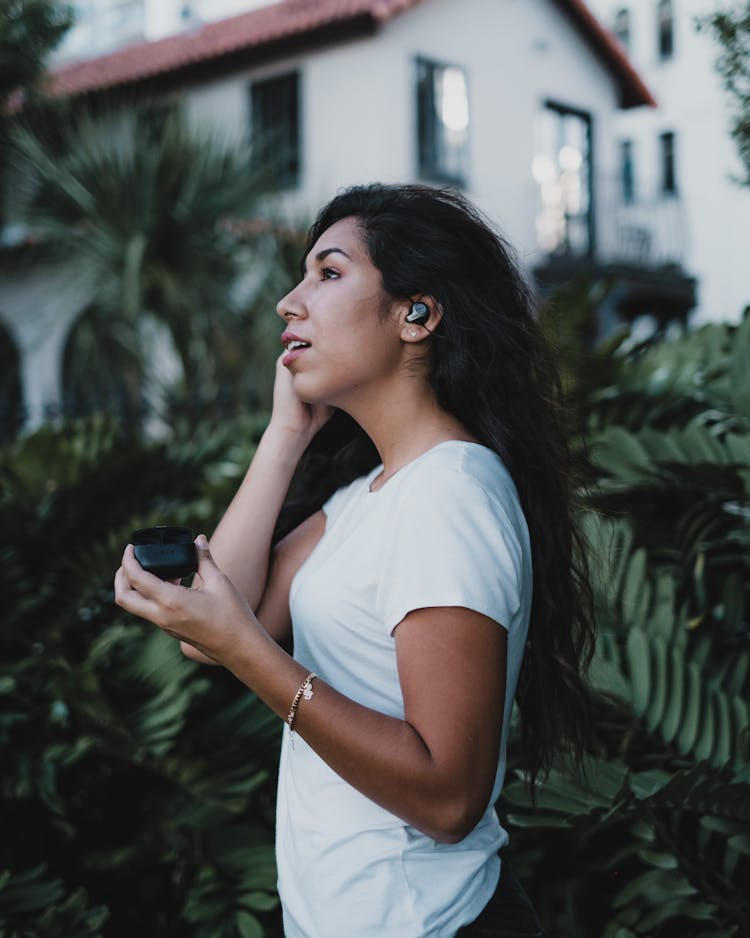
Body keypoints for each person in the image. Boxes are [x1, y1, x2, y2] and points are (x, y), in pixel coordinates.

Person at [114, 183, 595, 937]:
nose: (289, 302)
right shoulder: (368, 495)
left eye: (327, 273)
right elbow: (216, 621)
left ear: (418, 314)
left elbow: (447, 799)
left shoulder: (450, 495)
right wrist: (286, 435)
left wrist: (244, 651)